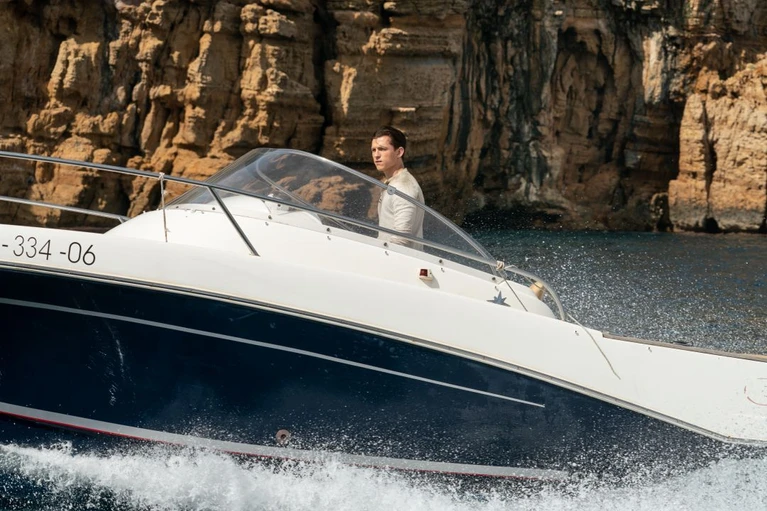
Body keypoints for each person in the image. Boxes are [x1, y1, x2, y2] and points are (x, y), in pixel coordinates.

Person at [371, 126, 424, 248]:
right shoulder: (394, 183)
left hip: (396, 256)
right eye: (373, 150)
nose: (376, 155)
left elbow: (401, 238)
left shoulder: (403, 187)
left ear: (399, 152)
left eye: (382, 149)